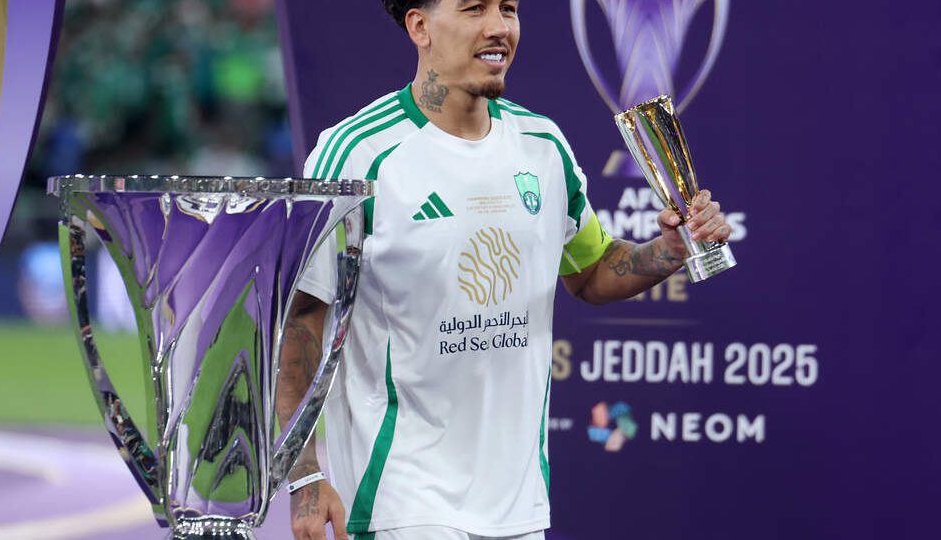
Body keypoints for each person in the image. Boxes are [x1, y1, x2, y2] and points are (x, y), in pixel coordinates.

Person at [276, 1, 733, 539]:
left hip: (518, 502)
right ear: (419, 26)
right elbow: (301, 319)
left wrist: (670, 248)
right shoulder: (356, 154)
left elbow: (592, 271)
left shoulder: (543, 145)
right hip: (401, 498)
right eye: (474, 9)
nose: (498, 28)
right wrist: (304, 473)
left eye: (508, 9)